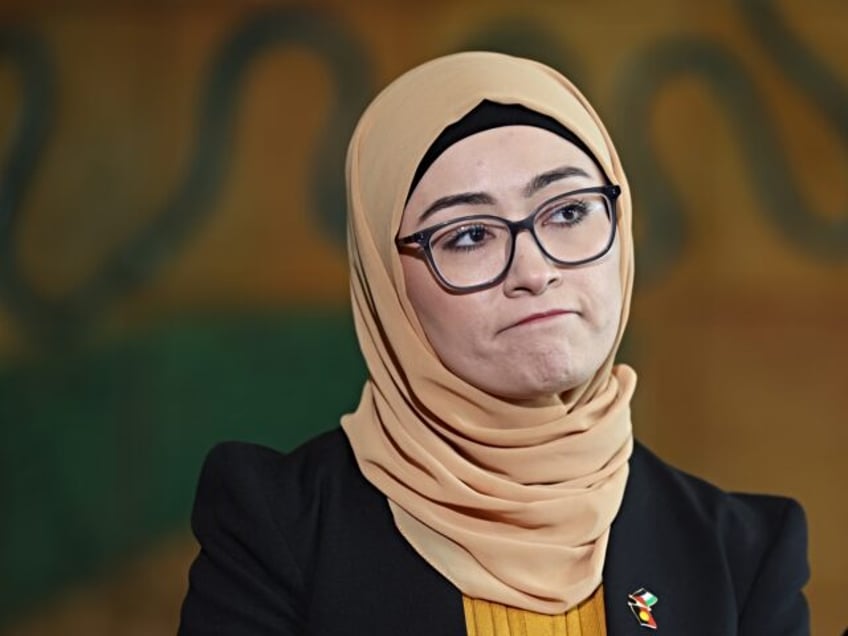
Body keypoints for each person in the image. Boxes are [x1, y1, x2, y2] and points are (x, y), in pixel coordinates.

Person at [178, 51, 810, 635]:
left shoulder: (741, 554)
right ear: (386, 283)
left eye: (568, 213)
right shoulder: (279, 529)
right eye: (469, 235)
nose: (534, 272)